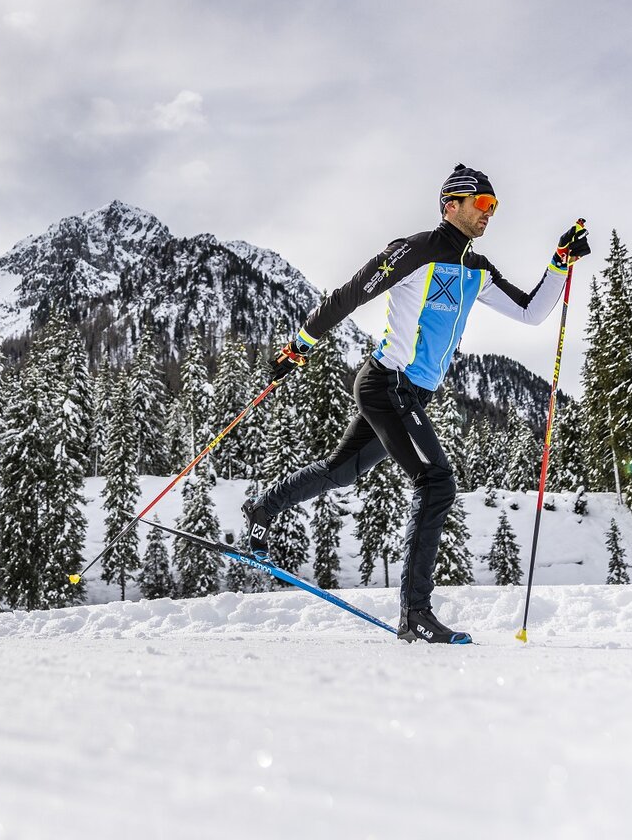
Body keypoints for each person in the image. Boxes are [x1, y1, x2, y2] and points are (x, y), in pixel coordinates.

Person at [242, 164, 590, 644]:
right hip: (387, 383)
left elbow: (531, 313)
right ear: (452, 204)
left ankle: (262, 510)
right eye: (482, 204)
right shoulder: (414, 251)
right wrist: (299, 345)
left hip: (410, 393)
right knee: (437, 481)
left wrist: (560, 261)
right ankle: (415, 614)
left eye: (495, 206)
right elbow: (347, 297)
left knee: (341, 471)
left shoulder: (478, 271)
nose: (489, 213)